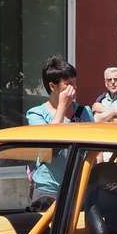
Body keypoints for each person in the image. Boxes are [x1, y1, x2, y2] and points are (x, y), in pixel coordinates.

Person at [25, 56, 92, 201]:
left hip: (79, 188)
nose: (74, 88)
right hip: (48, 190)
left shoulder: (84, 112)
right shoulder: (36, 114)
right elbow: (48, 146)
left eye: (75, 82)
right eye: (68, 84)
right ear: (52, 86)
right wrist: (62, 106)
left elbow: (95, 153)